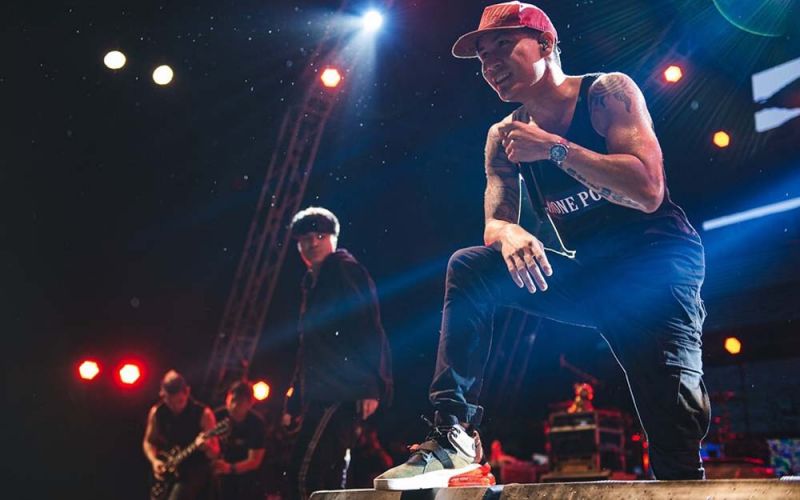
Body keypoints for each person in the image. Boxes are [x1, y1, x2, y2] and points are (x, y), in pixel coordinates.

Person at [375, 1, 709, 490]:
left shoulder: (607, 93)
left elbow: (648, 190)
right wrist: (508, 231)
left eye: (503, 46)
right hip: (588, 274)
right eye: (483, 57)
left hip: (656, 268)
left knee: (674, 433)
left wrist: (554, 148)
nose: (490, 64)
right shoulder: (502, 137)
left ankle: (683, 472)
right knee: (470, 267)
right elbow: (495, 223)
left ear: (546, 44)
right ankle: (453, 436)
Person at [283, 206, 393, 499]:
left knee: (305, 475)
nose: (313, 243)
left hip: (341, 391)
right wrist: (294, 399)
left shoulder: (344, 269)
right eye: (305, 238)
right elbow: (308, 347)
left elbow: (367, 324)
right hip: (324, 390)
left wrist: (371, 385)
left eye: (320, 236)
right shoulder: (311, 282)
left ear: (333, 238)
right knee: (328, 478)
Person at [143, 370, 220, 500]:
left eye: (180, 401)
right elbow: (149, 441)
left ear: (187, 392)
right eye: (170, 402)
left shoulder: (203, 414)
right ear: (162, 395)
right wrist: (154, 461)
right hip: (169, 468)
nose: (175, 407)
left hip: (194, 470)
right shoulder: (157, 412)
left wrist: (206, 447)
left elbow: (215, 452)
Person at [213, 380, 266, 500]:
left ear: (250, 403)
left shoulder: (257, 424)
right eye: (232, 401)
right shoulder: (216, 416)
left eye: (240, 402)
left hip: (245, 477)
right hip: (218, 474)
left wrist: (229, 468)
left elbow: (254, 461)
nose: (234, 406)